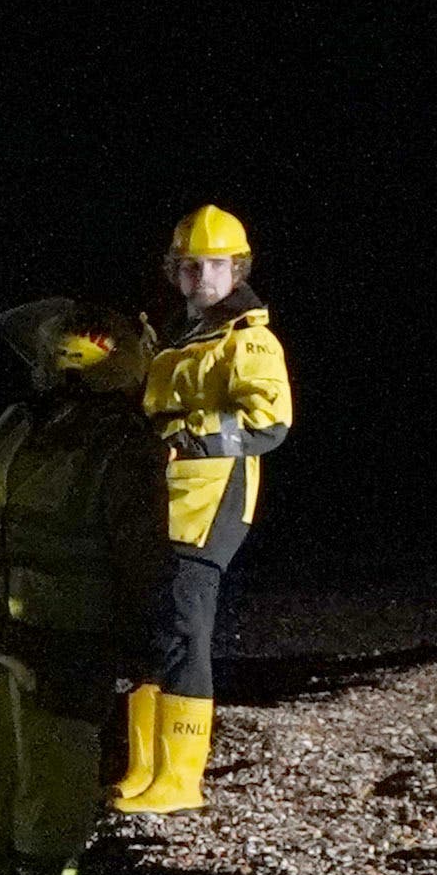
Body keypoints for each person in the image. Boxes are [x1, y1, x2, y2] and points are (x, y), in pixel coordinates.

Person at [0, 300, 168, 875]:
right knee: (55, 768)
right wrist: (147, 641)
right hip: (65, 632)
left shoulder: (15, 424)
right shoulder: (125, 442)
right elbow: (140, 553)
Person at [118, 205, 292, 818]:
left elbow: (268, 423)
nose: (202, 277)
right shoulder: (177, 337)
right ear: (174, 271)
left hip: (211, 501)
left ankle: (180, 779)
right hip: (161, 501)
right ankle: (143, 770)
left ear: (237, 268)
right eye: (190, 266)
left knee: (185, 631)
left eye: (215, 266)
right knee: (150, 631)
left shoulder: (247, 339)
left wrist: (187, 434)